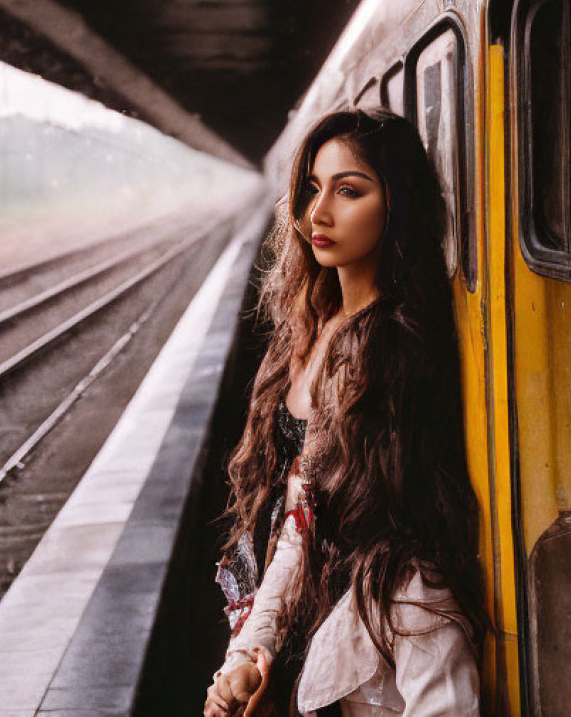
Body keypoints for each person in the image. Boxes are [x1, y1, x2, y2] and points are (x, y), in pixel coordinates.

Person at [204, 108, 487, 717]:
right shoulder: (313, 324)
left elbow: (340, 523)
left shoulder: (393, 346)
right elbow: (299, 513)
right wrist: (252, 650)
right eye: (312, 188)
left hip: (373, 645)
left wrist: (259, 645)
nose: (317, 214)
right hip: (310, 622)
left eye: (349, 190)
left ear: (396, 207)